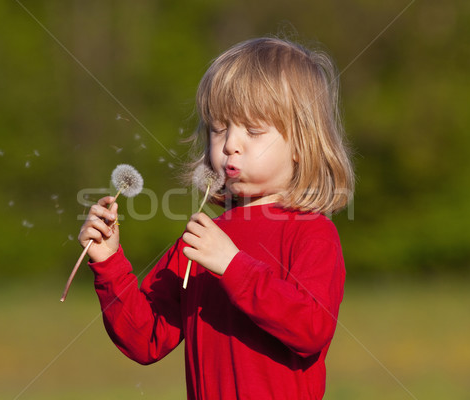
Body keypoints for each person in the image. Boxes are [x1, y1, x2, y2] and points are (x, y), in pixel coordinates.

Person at [78, 37, 354, 400]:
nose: (229, 145)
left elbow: (312, 328)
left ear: (302, 145)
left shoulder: (312, 233)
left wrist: (232, 265)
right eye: (219, 128)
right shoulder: (203, 239)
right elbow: (145, 339)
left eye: (253, 131)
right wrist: (109, 262)